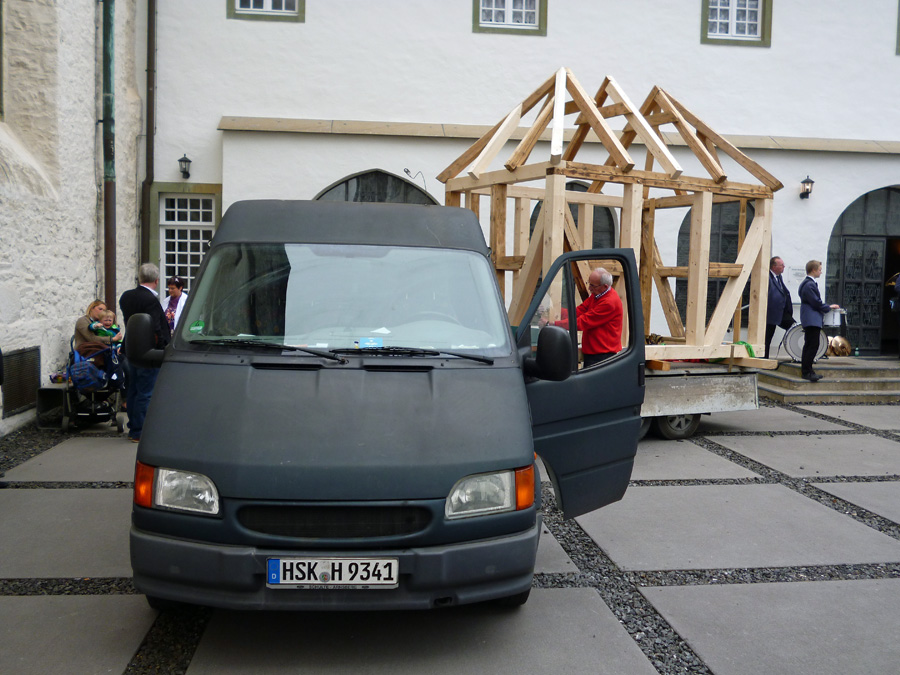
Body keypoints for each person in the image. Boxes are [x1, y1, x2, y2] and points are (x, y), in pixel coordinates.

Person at [120, 263, 171, 443]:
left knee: (133, 389)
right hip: (148, 351)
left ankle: (134, 427)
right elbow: (155, 328)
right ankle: (140, 431)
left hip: (131, 348)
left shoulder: (126, 297)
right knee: (146, 391)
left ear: (140, 278)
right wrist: (163, 347)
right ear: (156, 280)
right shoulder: (150, 300)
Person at [566, 267, 623, 367]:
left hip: (602, 355)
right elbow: (579, 310)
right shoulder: (597, 295)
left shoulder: (609, 302)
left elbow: (584, 322)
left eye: (593, 286)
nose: (589, 288)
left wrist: (556, 324)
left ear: (605, 286)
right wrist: (559, 313)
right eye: (589, 283)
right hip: (594, 352)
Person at [798, 260, 839, 382]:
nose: (821, 272)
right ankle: (807, 372)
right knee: (812, 345)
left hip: (810, 319)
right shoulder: (809, 285)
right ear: (813, 270)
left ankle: (808, 370)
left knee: (810, 345)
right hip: (811, 319)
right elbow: (815, 302)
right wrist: (828, 307)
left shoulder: (808, 284)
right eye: (820, 270)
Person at [765, 256, 794, 359]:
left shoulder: (779, 277)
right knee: (767, 338)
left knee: (794, 328)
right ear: (774, 267)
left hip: (782, 312)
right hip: (771, 313)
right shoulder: (767, 277)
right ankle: (764, 358)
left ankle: (796, 353)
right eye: (782, 265)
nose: (784, 267)